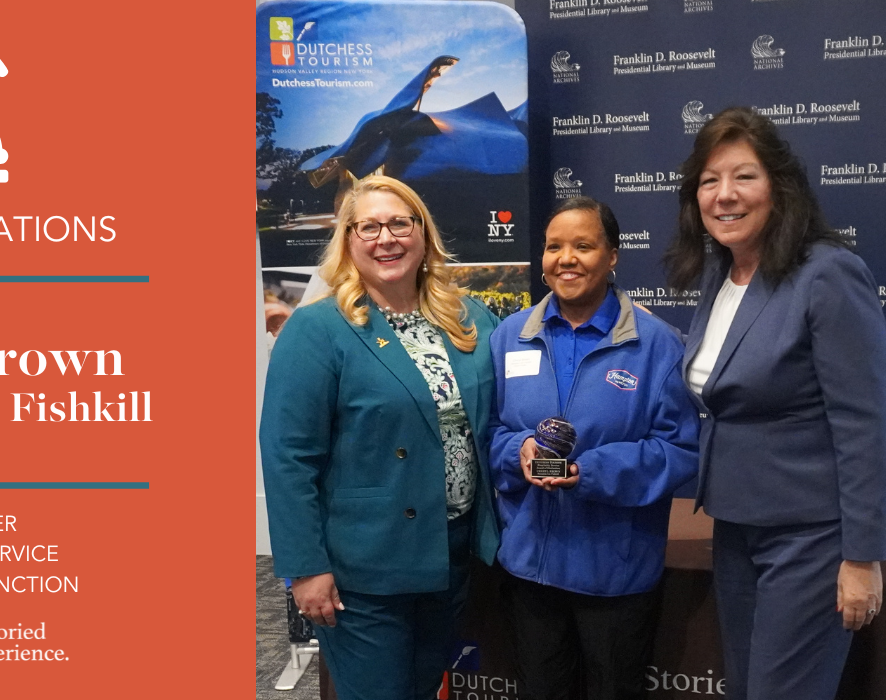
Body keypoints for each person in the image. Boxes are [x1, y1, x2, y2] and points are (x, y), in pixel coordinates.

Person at [665, 107, 886, 700]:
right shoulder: (721, 273)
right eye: (709, 181)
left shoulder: (829, 274)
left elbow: (866, 423)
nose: (724, 196)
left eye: (744, 177)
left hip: (812, 540)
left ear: (779, 188)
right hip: (736, 528)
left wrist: (863, 556)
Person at [261, 174, 501, 700]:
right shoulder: (318, 329)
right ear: (347, 241)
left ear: (423, 233)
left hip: (451, 553)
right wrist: (305, 569)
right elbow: (287, 456)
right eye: (367, 227)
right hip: (364, 567)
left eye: (399, 223)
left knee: (420, 690)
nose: (385, 238)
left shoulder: (470, 318)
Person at [489, 197, 699, 700]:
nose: (566, 258)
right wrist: (517, 450)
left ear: (613, 257)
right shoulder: (509, 338)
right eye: (553, 247)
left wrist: (591, 471)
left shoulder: (656, 345)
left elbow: (681, 450)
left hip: (615, 572)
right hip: (530, 567)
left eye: (583, 246)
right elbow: (489, 434)